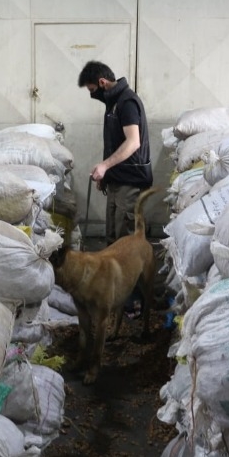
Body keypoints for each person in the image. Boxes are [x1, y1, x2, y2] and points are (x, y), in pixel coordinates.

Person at [78, 60, 153, 319]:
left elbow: (133, 142)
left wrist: (105, 165)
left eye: (92, 90)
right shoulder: (112, 104)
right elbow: (114, 145)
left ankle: (134, 303)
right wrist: (106, 174)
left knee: (127, 244)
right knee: (113, 240)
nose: (92, 95)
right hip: (117, 182)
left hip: (131, 183)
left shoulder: (127, 102)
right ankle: (118, 298)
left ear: (102, 82)